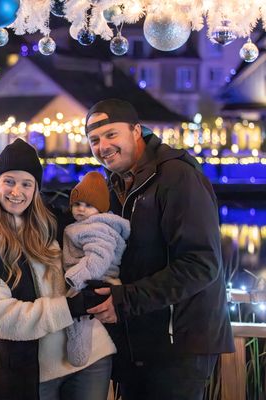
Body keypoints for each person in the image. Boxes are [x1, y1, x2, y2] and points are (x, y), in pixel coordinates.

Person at [84, 98, 235, 400]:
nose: (103, 146)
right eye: (95, 140)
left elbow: (200, 264)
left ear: (136, 131)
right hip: (137, 341)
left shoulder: (176, 177)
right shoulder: (116, 184)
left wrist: (125, 301)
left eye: (112, 134)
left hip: (178, 345)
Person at [0, 138, 115, 400]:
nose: (16, 191)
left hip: (92, 356)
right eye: (9, 181)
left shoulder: (57, 225)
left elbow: (101, 242)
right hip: (36, 371)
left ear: (36, 189)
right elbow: (0, 316)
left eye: (26, 184)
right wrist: (70, 308)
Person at [61, 171, 130, 367]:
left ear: (100, 208)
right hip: (90, 277)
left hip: (92, 280)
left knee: (77, 319)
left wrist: (76, 277)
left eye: (89, 205)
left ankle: (78, 356)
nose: (81, 209)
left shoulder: (96, 228)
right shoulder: (85, 225)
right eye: (77, 204)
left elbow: (99, 257)